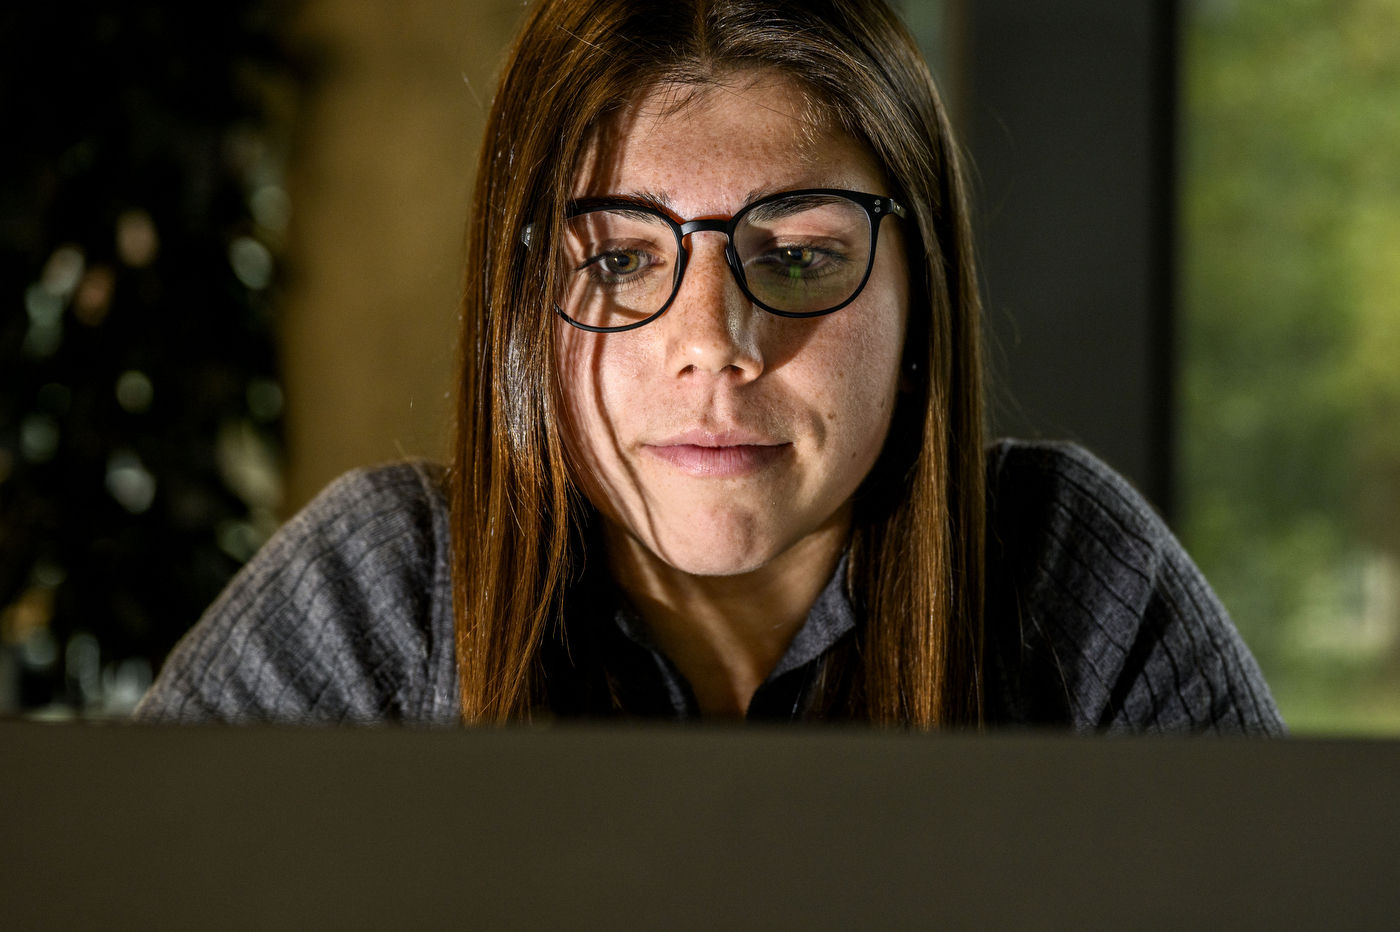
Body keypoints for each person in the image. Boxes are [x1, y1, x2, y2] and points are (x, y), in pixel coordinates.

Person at [135, 0, 1284, 732]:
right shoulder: (379, 593)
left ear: (919, 293)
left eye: (798, 255)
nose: (711, 344)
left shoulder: (1069, 572)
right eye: (619, 258)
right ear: (520, 305)